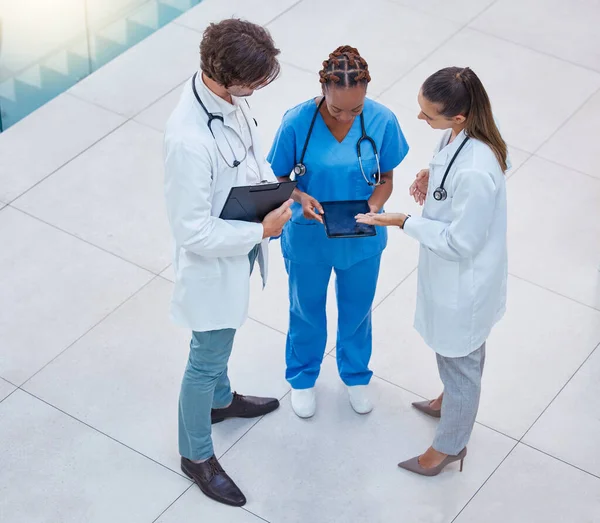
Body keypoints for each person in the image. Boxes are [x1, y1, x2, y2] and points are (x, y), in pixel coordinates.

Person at [163, 19, 292, 507]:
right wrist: (261, 230)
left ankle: (221, 401)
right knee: (206, 357)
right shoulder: (187, 139)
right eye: (254, 82)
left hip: (236, 242)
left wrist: (276, 189)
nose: (257, 89)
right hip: (211, 263)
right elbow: (191, 230)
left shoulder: (223, 101)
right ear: (224, 75)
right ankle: (195, 455)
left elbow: (244, 159)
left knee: (219, 341)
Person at [357, 66, 508, 476]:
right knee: (455, 354)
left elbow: (461, 242)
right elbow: (449, 165)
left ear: (458, 116)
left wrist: (404, 221)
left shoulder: (477, 168)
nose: (422, 120)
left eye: (430, 115)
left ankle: (449, 446)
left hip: (465, 281)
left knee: (461, 362)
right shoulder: (459, 135)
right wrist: (432, 173)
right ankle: (449, 401)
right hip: (451, 278)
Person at [268, 46, 409, 418]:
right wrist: (300, 194)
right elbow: (280, 176)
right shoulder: (297, 121)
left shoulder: (382, 120)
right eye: (336, 109)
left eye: (355, 110)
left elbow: (387, 176)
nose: (346, 116)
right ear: (323, 89)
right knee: (305, 309)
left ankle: (356, 375)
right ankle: (302, 377)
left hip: (363, 234)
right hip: (307, 233)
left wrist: (375, 207)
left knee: (357, 310)